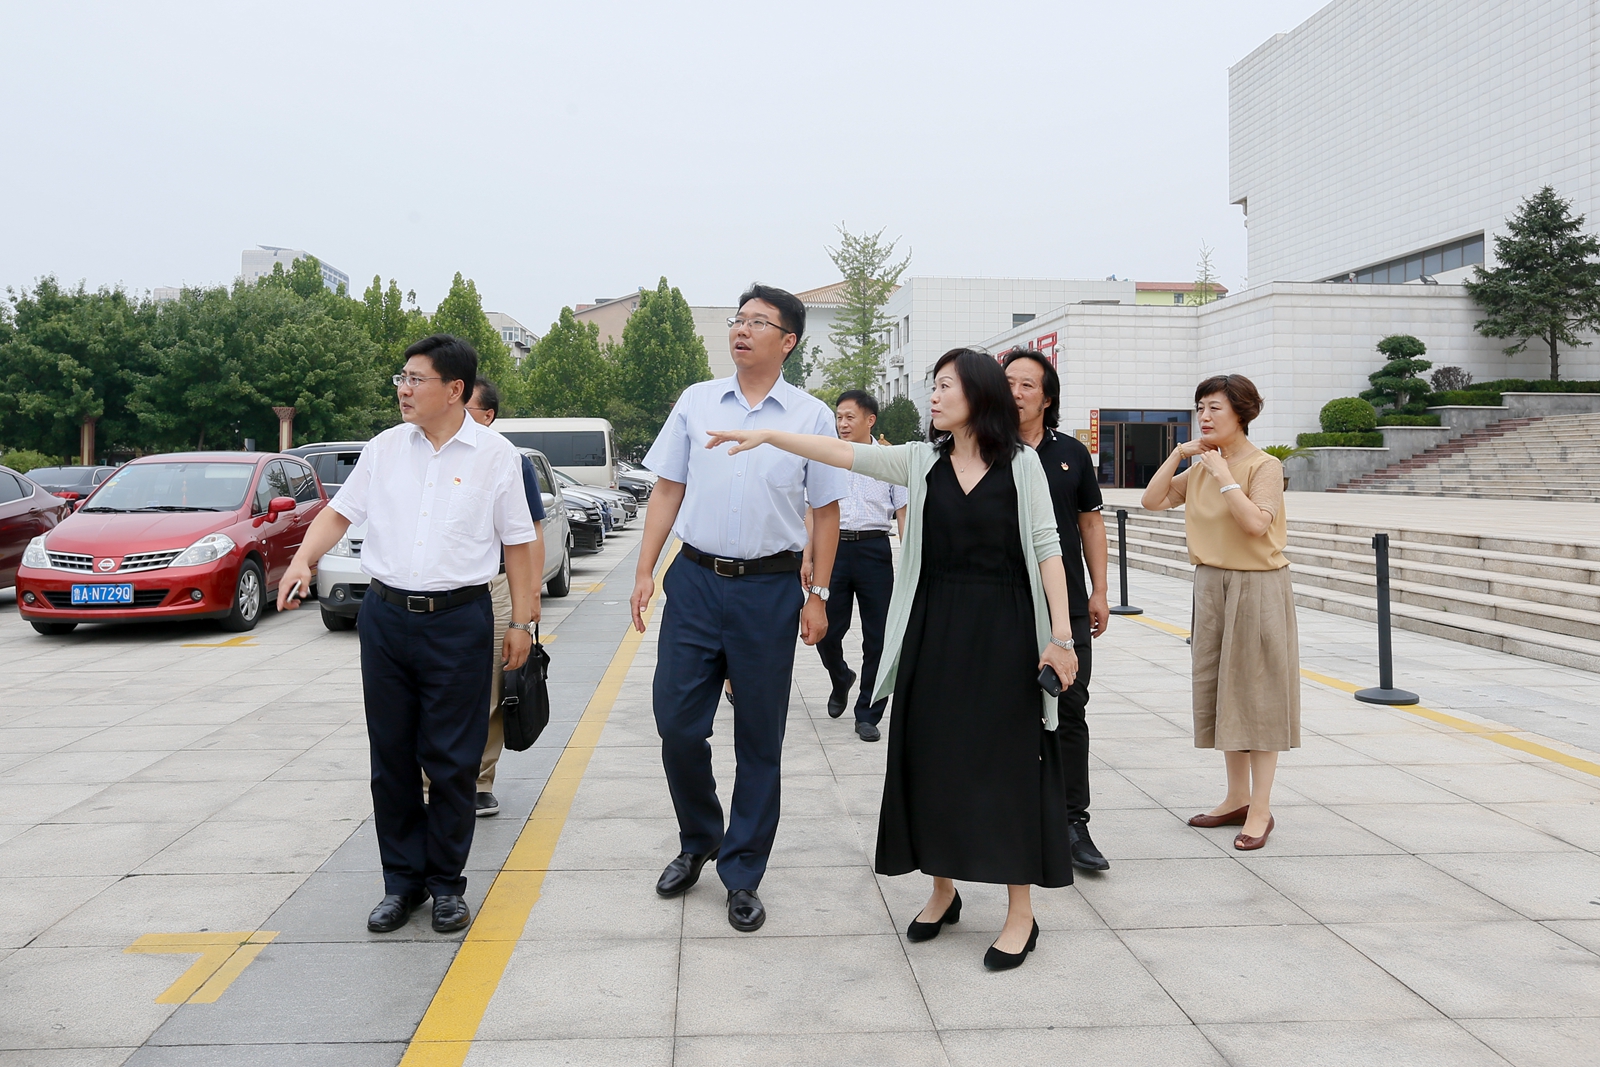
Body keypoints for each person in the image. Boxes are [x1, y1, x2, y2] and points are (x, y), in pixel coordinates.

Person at [705, 348, 1079, 971]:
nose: (933, 396)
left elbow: (1048, 548)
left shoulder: (1022, 464)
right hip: (934, 628)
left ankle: (1021, 913)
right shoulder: (920, 460)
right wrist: (770, 435)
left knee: (1008, 767)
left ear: (978, 394)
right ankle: (942, 890)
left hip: (1006, 631)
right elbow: (842, 453)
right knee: (931, 759)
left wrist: (1060, 637)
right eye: (934, 386)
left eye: (945, 386)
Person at [278, 335, 539, 933]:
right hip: (387, 617)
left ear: (455, 390)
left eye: (416, 379)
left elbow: (520, 544)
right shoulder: (385, 448)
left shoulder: (496, 456)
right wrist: (303, 560)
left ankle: (446, 885)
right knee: (391, 757)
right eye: (401, 377)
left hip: (460, 621)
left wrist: (522, 622)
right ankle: (402, 884)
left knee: (452, 760)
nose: (403, 388)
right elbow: (339, 512)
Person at [630, 283, 847, 933]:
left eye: (758, 322)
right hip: (695, 582)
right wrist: (644, 570)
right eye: (738, 319)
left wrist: (818, 595)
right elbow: (668, 488)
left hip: (768, 590)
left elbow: (826, 511)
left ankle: (743, 870)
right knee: (676, 724)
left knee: (759, 736)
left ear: (789, 341)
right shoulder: (696, 402)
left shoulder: (810, 416)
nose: (742, 329)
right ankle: (700, 836)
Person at [1140, 373, 1300, 851]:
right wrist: (1179, 455)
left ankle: (1261, 808)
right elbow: (1151, 500)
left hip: (1257, 585)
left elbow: (1255, 525)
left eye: (1214, 408)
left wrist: (1224, 475)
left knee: (1258, 693)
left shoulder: (1263, 465)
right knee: (1222, 691)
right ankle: (1236, 797)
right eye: (1200, 408)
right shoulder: (1201, 466)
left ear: (1241, 413)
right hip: (1211, 584)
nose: (1204, 417)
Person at [1003, 350, 1112, 872]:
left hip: (1065, 605)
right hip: (1004, 602)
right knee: (1005, 712)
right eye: (1008, 382)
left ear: (1047, 397)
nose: (1015, 392)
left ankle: (1073, 823)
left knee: (1070, 710)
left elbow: (1090, 522)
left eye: (1027, 384)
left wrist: (1099, 590)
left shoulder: (1070, 453)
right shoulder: (983, 448)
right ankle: (1010, 815)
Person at [462, 377, 546, 816]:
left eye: (467, 409)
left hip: (495, 587)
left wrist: (528, 599)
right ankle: (431, 782)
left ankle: (479, 780)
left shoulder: (510, 460)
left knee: (495, 687)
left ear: (488, 416)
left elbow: (531, 533)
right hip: (440, 590)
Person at [805, 389, 907, 742]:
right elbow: (814, 511)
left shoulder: (891, 460)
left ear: (870, 420)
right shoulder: (828, 457)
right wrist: (808, 556)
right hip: (832, 552)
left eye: (850, 417)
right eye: (839, 417)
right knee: (825, 631)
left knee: (878, 637)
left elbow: (903, 512)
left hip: (874, 551)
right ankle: (840, 677)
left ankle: (868, 713)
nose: (843, 424)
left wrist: (910, 558)